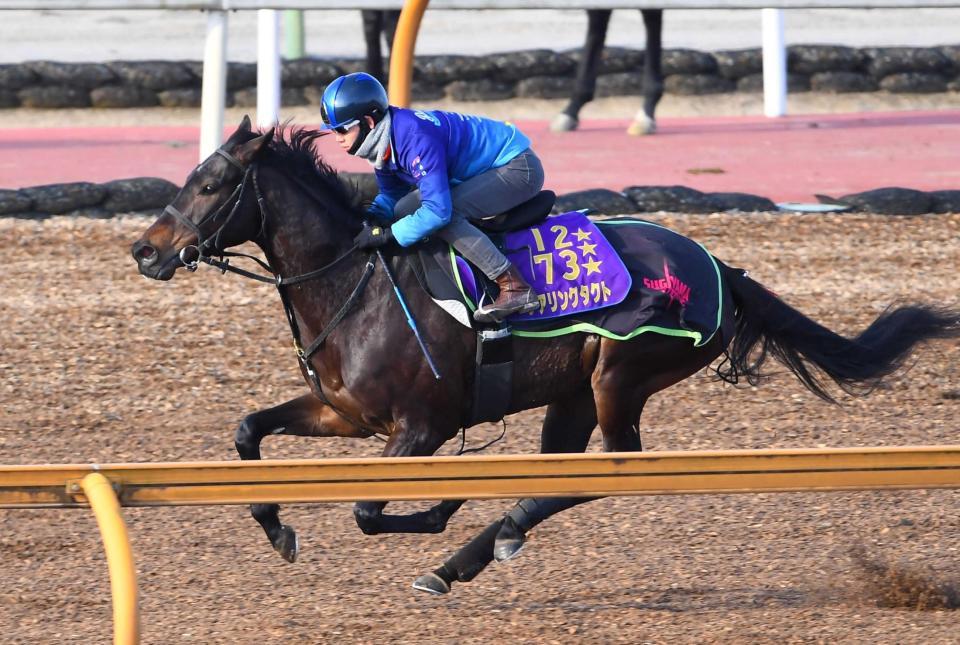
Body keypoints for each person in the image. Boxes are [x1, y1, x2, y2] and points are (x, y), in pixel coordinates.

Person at [319, 72, 544, 323]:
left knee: (446, 216)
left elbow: (438, 211)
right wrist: (368, 220)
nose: (336, 137)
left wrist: (388, 235)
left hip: (518, 168)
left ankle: (513, 285)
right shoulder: (383, 139)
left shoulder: (413, 137)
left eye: (341, 129)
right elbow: (393, 195)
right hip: (493, 168)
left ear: (369, 122)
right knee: (404, 208)